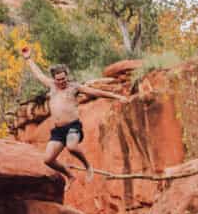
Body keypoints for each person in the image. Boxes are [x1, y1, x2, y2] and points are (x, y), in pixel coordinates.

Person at [23, 46, 129, 188]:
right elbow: (38, 74)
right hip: (58, 131)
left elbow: (95, 92)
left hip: (73, 127)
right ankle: (70, 176)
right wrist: (28, 59)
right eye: (59, 79)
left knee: (72, 147)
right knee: (48, 159)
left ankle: (87, 166)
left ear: (67, 75)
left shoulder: (74, 87)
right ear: (54, 79)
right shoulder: (52, 86)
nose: (62, 81)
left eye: (64, 78)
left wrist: (117, 96)